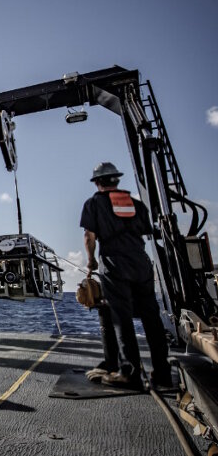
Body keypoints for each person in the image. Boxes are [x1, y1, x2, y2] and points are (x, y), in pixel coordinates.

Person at [80, 162, 172, 389]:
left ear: (98, 183)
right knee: (152, 318)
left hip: (114, 263)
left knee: (121, 318)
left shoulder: (93, 204)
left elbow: (89, 236)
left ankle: (128, 372)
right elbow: (144, 232)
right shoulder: (137, 205)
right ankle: (163, 373)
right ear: (116, 181)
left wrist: (91, 261)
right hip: (141, 263)